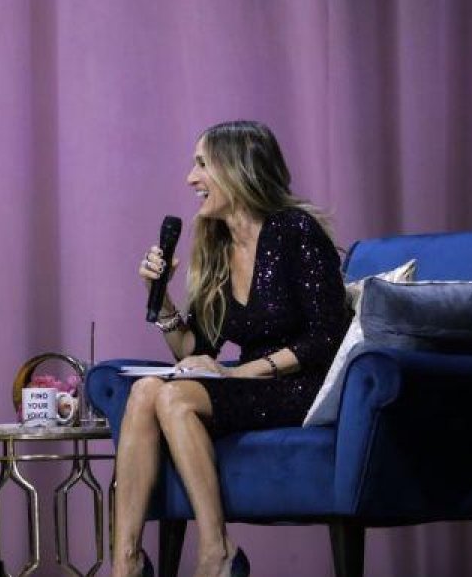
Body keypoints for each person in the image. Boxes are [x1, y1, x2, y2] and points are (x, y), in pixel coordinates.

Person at [112, 121, 349, 577]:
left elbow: (326, 338)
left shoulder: (294, 230)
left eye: (202, 163)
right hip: (251, 383)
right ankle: (126, 563)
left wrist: (239, 373)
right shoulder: (218, 243)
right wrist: (161, 299)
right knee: (144, 391)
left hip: (302, 385)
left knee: (175, 397)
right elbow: (196, 349)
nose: (190, 178)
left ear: (238, 170)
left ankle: (217, 551)